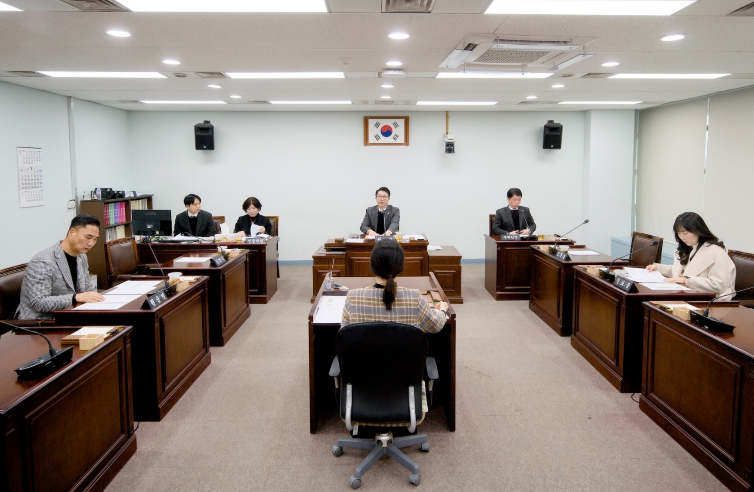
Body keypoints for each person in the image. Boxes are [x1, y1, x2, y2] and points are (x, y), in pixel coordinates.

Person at [341, 239, 448, 333]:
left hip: (364, 351)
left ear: (372, 266)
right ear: (401, 267)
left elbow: (344, 334)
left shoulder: (353, 297)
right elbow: (436, 326)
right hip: (405, 351)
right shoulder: (415, 298)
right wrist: (442, 311)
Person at [17, 215, 105, 320]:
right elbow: (38, 303)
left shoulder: (81, 256)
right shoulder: (43, 261)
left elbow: (87, 289)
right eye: (88, 237)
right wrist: (75, 298)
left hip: (71, 315)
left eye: (95, 239)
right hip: (41, 321)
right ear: (71, 232)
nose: (91, 243)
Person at [646, 212, 736, 298]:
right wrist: (658, 268)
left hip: (708, 300)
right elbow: (679, 272)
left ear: (698, 230)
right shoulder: (687, 248)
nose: (682, 237)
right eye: (679, 233)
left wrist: (687, 280)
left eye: (685, 233)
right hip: (685, 294)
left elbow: (718, 285)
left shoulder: (716, 252)